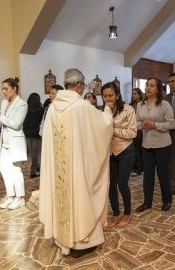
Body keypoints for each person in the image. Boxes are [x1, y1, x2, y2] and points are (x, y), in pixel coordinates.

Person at [39, 68, 113, 258]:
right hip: (77, 169)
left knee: (63, 198)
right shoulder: (83, 106)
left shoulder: (53, 107)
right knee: (80, 195)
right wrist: (108, 111)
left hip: (59, 171)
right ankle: (80, 244)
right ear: (80, 86)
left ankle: (62, 240)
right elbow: (102, 128)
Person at [135, 77, 175, 212]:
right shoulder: (140, 105)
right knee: (148, 175)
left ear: (158, 90)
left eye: (151, 86)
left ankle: (167, 200)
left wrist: (155, 125)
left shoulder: (164, 105)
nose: (148, 88)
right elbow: (135, 123)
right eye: (147, 85)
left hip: (163, 144)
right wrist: (142, 125)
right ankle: (147, 202)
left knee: (163, 174)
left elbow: (171, 124)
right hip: (147, 144)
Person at [102, 82, 136, 228]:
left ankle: (127, 212)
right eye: (104, 96)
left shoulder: (128, 110)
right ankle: (115, 213)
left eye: (111, 95)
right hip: (109, 151)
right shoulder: (103, 111)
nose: (108, 99)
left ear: (118, 95)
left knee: (122, 184)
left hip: (125, 150)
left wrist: (113, 130)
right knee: (110, 185)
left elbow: (132, 132)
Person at [0, 77, 28, 210]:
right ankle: (11, 196)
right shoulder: (3, 102)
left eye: (6, 89)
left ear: (14, 88)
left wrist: (1, 117)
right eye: (2, 89)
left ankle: (20, 198)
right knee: (4, 170)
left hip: (15, 141)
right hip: (5, 142)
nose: (4, 91)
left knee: (15, 171)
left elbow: (16, 124)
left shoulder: (22, 104)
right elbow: (2, 123)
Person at [23, 93, 44, 178]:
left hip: (27, 132)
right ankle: (33, 171)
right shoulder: (41, 110)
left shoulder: (25, 109)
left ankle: (37, 166)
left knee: (32, 152)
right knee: (35, 153)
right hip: (36, 132)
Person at [129, 87, 143, 176]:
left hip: (139, 129)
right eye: (132, 94)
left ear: (139, 95)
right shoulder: (131, 105)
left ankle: (138, 168)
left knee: (137, 150)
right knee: (132, 149)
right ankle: (133, 166)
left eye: (135, 94)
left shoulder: (141, 105)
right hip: (131, 128)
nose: (133, 95)